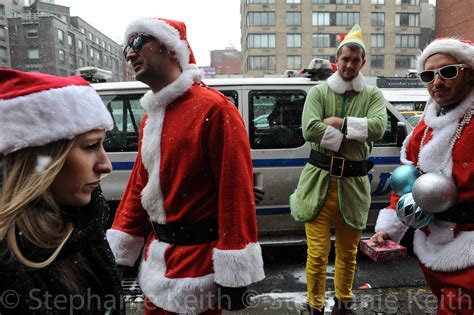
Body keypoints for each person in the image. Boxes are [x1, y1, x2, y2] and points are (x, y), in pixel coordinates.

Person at [106, 18, 265, 314]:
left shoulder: (215, 109)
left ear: (171, 50)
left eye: (139, 42)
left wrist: (234, 276)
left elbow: (235, 192)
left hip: (199, 269)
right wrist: (120, 254)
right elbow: (139, 188)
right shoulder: (150, 117)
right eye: (127, 46)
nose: (129, 53)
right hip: (157, 263)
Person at [0, 69, 123, 314]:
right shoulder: (9, 260)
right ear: (42, 160)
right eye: (90, 146)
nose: (105, 165)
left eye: (102, 144)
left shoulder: (86, 226)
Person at [371, 38, 474, 314]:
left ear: (470, 72)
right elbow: (406, 182)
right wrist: (388, 228)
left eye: (448, 71)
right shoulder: (425, 128)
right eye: (428, 75)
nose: (437, 82)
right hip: (432, 245)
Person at [290, 24, 387, 315]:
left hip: (354, 186)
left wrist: (339, 124)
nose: (349, 64)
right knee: (317, 254)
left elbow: (378, 127)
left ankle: (343, 302)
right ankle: (314, 306)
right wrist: (355, 131)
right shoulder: (319, 92)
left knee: (348, 253)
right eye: (345, 58)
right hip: (318, 184)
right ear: (338, 60)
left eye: (355, 60)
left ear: (362, 62)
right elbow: (309, 128)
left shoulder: (372, 95)